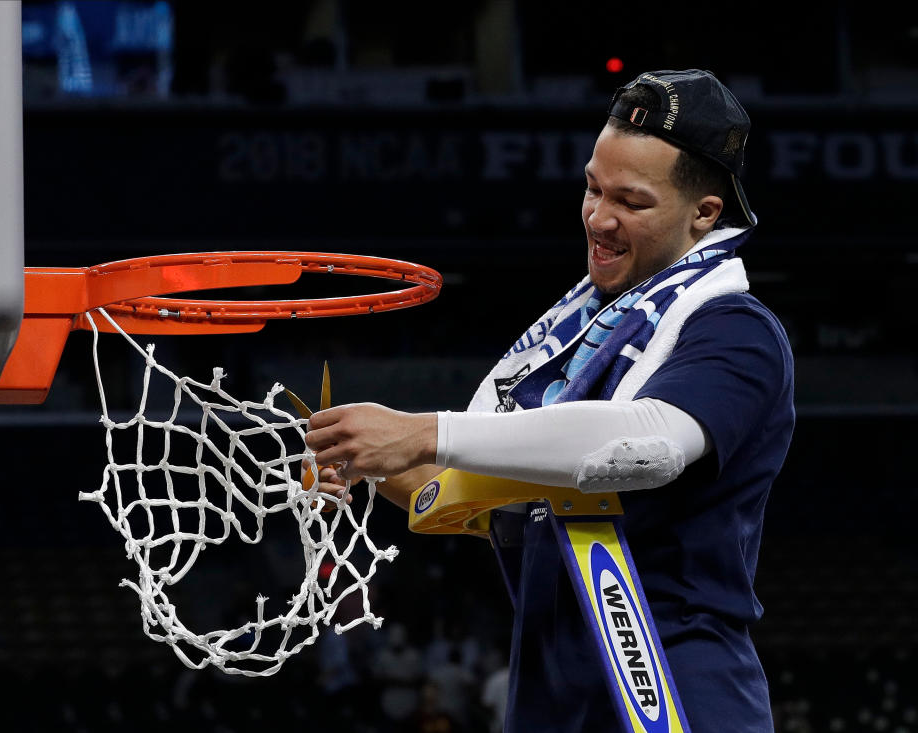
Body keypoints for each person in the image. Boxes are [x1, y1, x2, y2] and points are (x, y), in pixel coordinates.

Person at [305, 69, 795, 732]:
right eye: (593, 186)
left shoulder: (735, 330)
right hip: (549, 700)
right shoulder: (582, 333)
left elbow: (641, 448)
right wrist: (365, 456)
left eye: (632, 200)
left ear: (704, 212)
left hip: (675, 697)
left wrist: (422, 431)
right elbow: (473, 495)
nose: (598, 215)